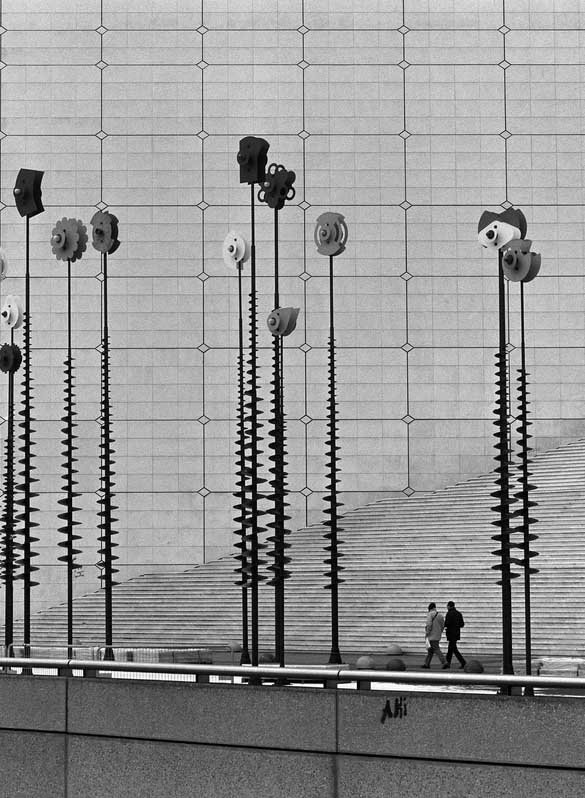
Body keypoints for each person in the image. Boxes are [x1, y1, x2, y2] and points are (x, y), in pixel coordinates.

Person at [421, 602, 446, 668]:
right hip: (437, 635)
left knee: (436, 649)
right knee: (430, 650)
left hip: (431, 635)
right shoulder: (440, 615)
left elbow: (429, 624)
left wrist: (427, 633)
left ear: (429, 608)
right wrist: (440, 632)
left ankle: (444, 662)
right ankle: (427, 664)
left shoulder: (430, 614)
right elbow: (443, 625)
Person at [443, 600, 466, 669]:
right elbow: (462, 624)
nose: (447, 607)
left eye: (447, 606)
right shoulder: (459, 613)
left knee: (453, 649)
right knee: (451, 649)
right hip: (456, 633)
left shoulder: (449, 613)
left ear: (449, 606)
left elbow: (446, 623)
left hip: (450, 633)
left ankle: (463, 662)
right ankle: (447, 663)